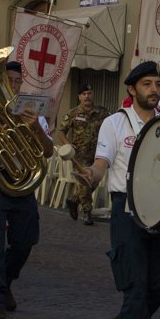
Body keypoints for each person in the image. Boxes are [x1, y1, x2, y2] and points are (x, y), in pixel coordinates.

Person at [79, 61, 160, 319]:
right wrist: (91, 176)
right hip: (128, 208)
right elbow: (101, 163)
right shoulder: (115, 123)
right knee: (136, 284)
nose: (154, 89)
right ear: (132, 89)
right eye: (147, 84)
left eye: (157, 83)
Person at [0, 60, 53, 319]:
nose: (12, 85)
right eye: (7, 81)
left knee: (26, 239)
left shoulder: (32, 112)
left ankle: (6, 281)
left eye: (16, 81)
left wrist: (34, 128)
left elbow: (47, 151)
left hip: (23, 183)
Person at [60, 84, 109, 225]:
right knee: (85, 181)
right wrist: (67, 144)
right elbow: (61, 131)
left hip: (98, 154)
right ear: (79, 97)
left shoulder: (102, 112)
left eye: (89, 93)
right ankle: (87, 212)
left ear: (93, 95)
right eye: (84, 94)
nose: (87, 96)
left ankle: (74, 200)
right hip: (79, 155)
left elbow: (111, 127)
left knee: (93, 181)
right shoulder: (73, 113)